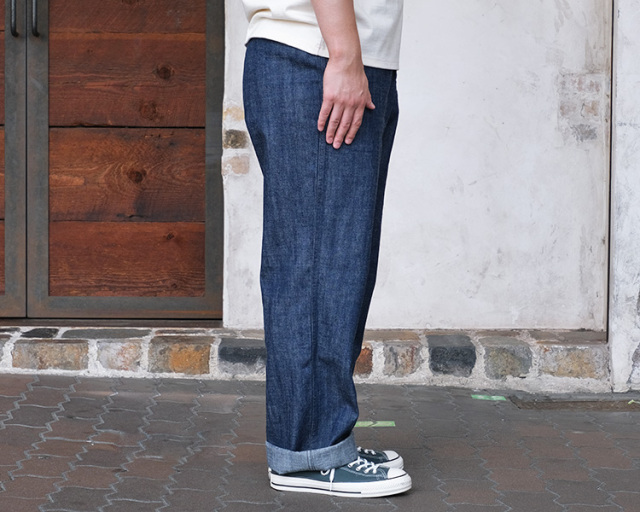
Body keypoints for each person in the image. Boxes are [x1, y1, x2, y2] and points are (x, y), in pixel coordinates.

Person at [241, 0, 411, 498]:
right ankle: (310, 453)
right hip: (318, 57)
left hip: (333, 57)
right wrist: (344, 56)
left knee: (338, 263)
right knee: (317, 268)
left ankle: (325, 439)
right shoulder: (334, 56)